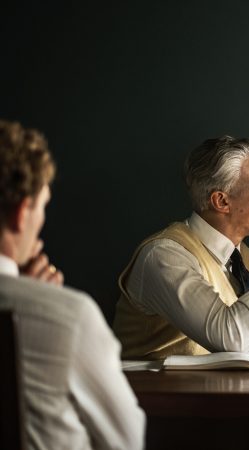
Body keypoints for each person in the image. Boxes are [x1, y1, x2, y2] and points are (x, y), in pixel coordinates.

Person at [0, 119, 145, 450]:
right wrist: (39, 302)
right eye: (43, 205)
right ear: (22, 212)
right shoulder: (69, 317)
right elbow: (127, 440)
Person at [113, 135, 249, 360]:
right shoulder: (164, 256)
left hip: (215, 394)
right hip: (152, 395)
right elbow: (233, 341)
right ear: (221, 201)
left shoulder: (247, 259)